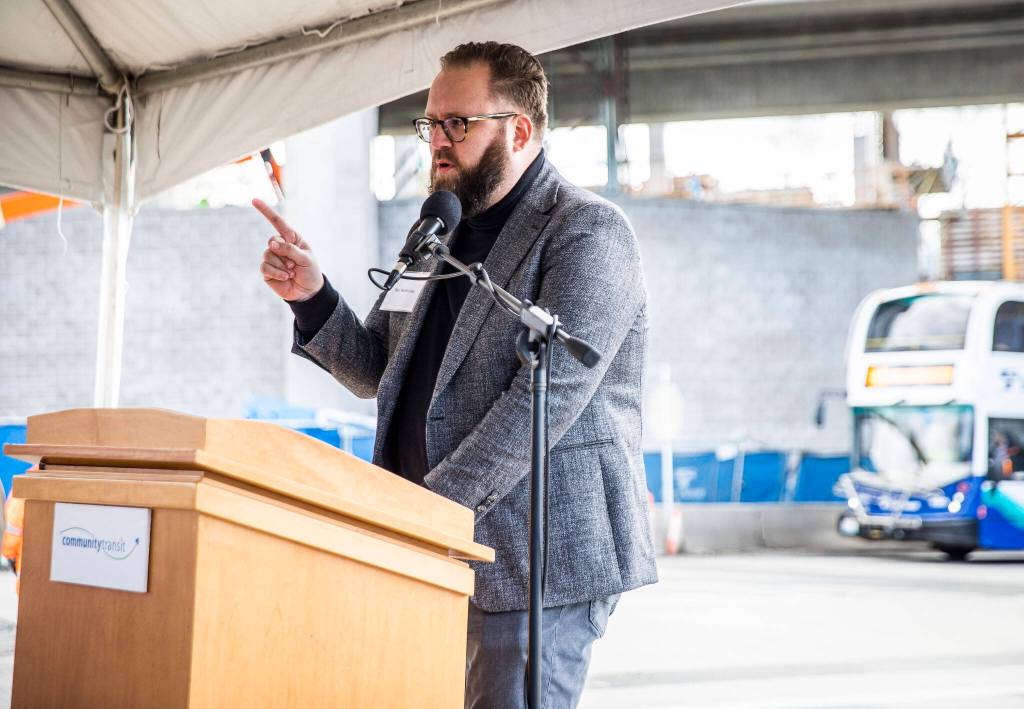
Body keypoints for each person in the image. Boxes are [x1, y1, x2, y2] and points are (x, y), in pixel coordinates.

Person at [255, 41, 656, 708]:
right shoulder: (435, 234)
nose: (437, 140)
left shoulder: (587, 233)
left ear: (520, 130)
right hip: (432, 552)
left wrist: (418, 515)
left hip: (535, 566)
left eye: (458, 124)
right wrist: (314, 296)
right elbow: (377, 369)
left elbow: (541, 402)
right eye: (431, 123)